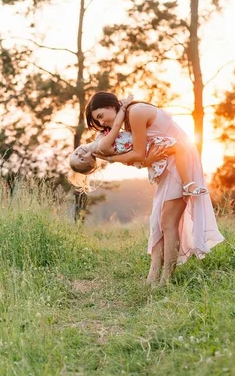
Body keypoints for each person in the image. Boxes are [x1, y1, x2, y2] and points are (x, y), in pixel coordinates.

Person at [84, 92, 224, 286]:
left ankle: (166, 279)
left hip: (178, 159)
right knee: (157, 221)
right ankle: (153, 276)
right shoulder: (127, 120)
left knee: (167, 222)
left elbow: (139, 154)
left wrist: (110, 159)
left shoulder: (136, 112)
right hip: (167, 163)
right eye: (98, 122)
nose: (103, 123)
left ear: (112, 105)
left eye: (101, 116)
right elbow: (141, 158)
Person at [70, 97, 209, 193]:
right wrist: (122, 109)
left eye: (75, 153)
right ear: (91, 163)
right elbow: (117, 127)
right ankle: (188, 184)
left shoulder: (98, 140)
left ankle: (188, 183)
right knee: (181, 148)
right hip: (147, 149)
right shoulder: (101, 147)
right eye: (81, 159)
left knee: (181, 148)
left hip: (144, 148)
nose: (80, 153)